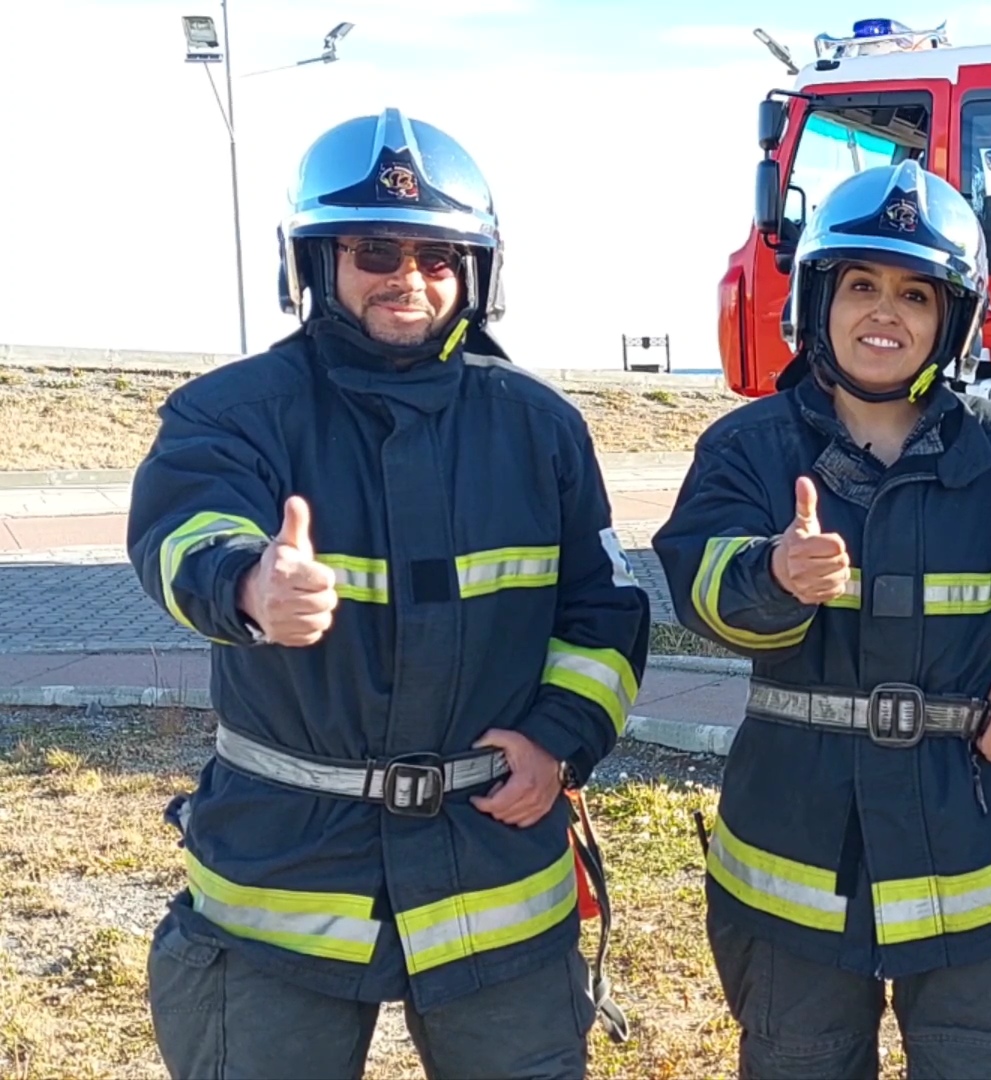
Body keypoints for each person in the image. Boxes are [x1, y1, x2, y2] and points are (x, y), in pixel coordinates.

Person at [126, 107, 649, 1080]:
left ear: (476, 271)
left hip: (493, 865)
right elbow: (180, 529)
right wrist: (247, 583)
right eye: (375, 251)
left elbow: (603, 613)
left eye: (437, 255)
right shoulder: (230, 412)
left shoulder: (540, 426)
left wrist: (559, 738)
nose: (409, 277)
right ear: (314, 263)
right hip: (284, 877)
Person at [652, 159, 991, 1079]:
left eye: (916, 294)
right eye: (862, 285)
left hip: (987, 853)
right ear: (818, 300)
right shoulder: (748, 448)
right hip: (799, 855)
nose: (886, 313)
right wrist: (772, 575)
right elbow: (698, 585)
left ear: (953, 320)